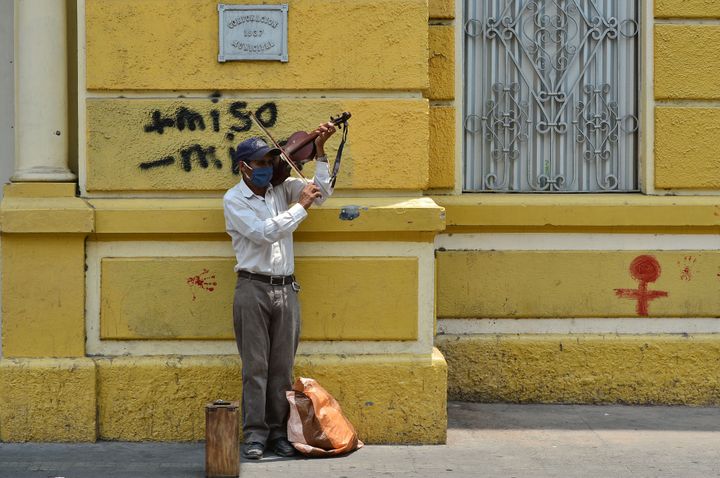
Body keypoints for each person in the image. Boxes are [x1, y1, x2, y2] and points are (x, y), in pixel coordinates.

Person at [223, 123, 336, 460]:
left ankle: (278, 434)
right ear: (244, 167)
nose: (268, 169)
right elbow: (263, 233)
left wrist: (320, 151)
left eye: (271, 162)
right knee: (255, 368)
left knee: (281, 368)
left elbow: (322, 192)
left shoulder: (280, 189)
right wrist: (300, 207)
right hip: (252, 288)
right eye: (260, 164)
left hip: (286, 289)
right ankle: (255, 435)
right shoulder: (233, 200)